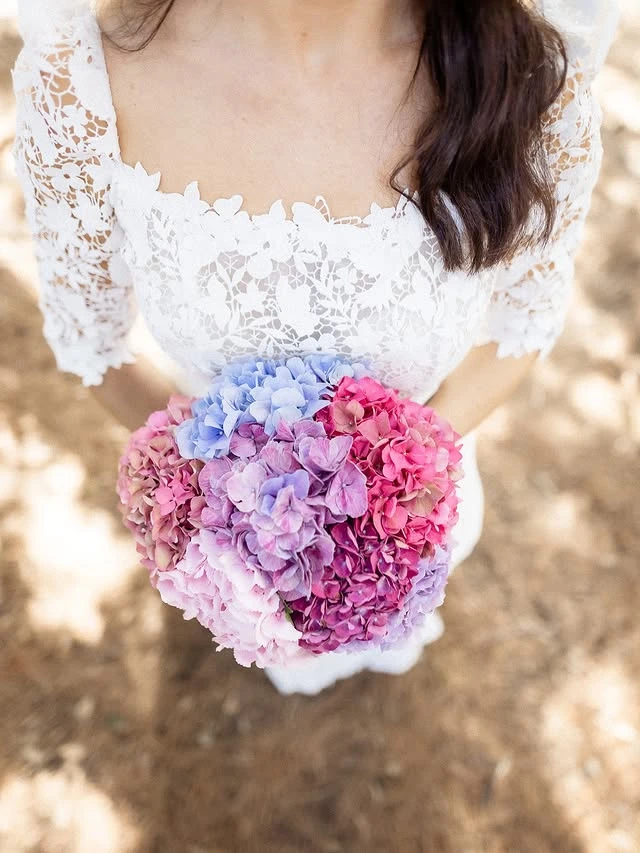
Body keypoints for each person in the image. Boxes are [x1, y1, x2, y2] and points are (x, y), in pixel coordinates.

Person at [11, 0, 618, 694]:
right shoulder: (85, 77)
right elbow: (94, 346)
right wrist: (220, 509)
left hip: (414, 515)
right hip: (239, 549)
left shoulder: (531, 65)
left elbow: (524, 324)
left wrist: (394, 491)